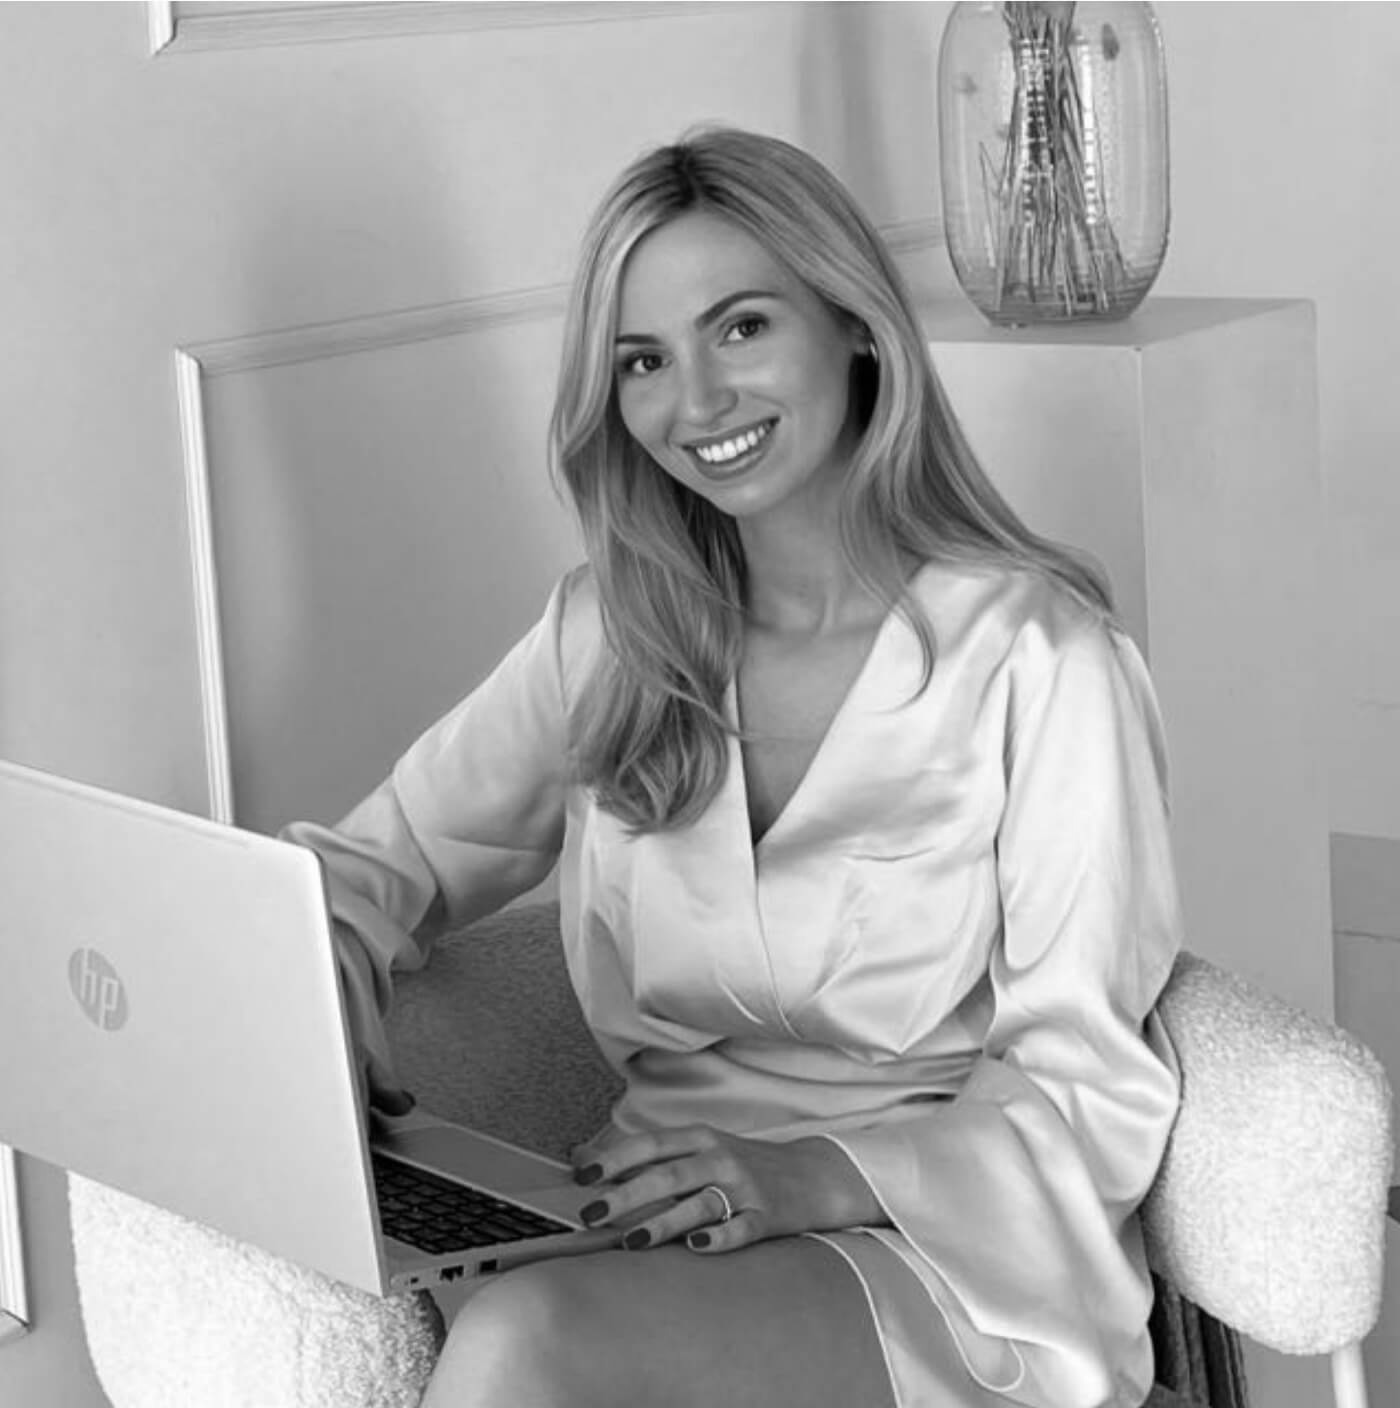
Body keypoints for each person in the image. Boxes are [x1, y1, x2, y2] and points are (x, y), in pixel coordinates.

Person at [283, 127, 1183, 1408]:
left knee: (525, 1344)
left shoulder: (1043, 658)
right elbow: (377, 864)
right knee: (503, 1318)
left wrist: (813, 1174)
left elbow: (1085, 1081)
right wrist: (320, 997)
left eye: (741, 328)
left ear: (854, 325)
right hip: (650, 1213)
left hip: (941, 1250)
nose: (694, 402)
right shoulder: (612, 636)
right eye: (641, 359)